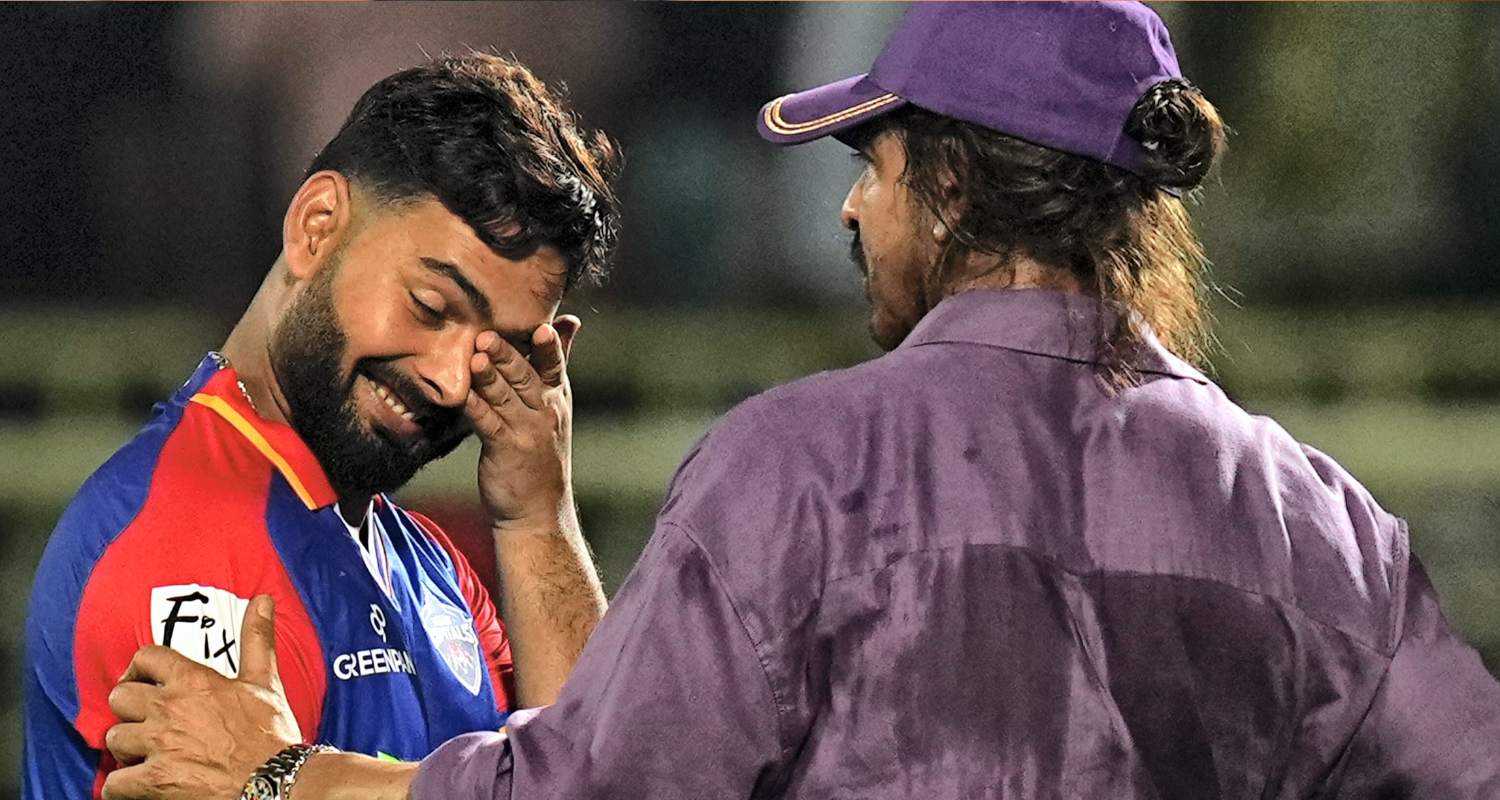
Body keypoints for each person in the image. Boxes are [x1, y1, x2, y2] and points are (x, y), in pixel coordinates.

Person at [100, 4, 1500, 799]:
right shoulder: (1321, 519)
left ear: (948, 186)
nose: (850, 203)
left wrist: (285, 780)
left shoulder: (801, 468)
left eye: (877, 167)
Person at [22, 52, 620, 799]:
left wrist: (538, 516)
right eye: (432, 308)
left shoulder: (434, 569)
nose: (448, 377)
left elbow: (598, 779)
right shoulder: (183, 541)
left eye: (493, 350)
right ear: (316, 227)